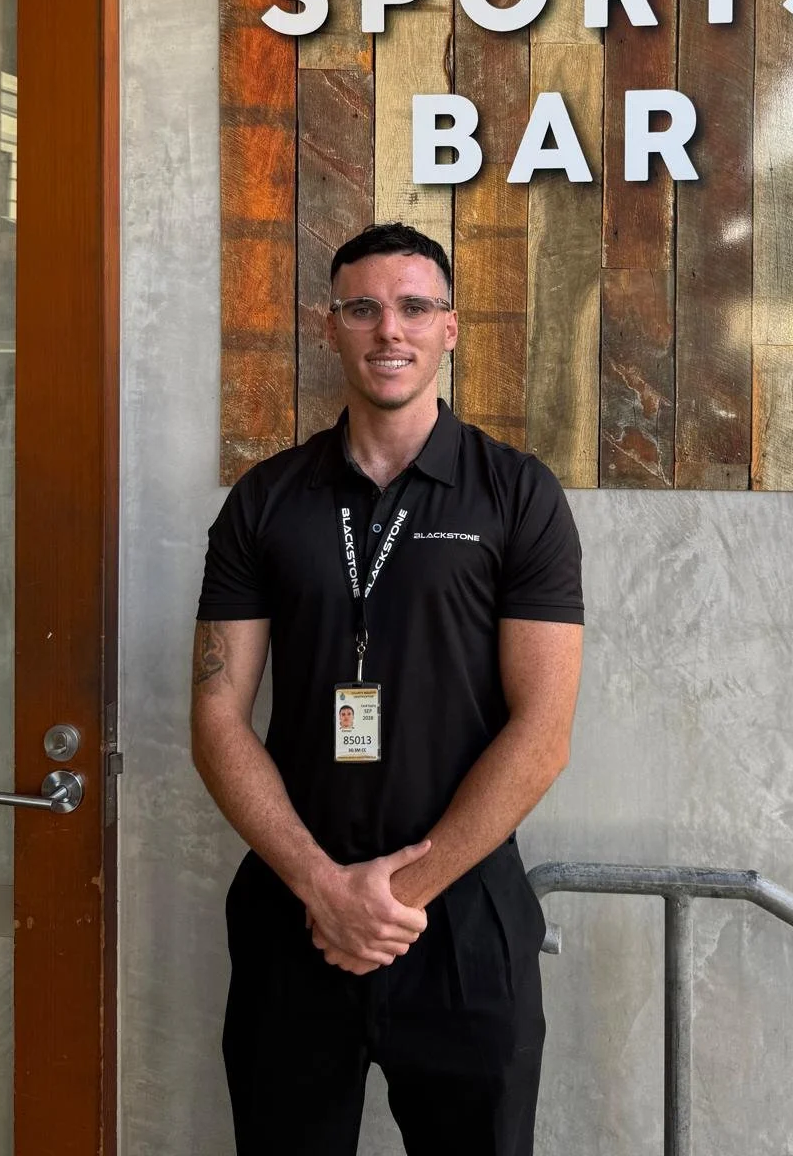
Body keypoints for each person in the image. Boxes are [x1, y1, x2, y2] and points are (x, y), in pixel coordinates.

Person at [191, 221, 585, 1156]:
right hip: (297, 913)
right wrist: (324, 889)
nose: (389, 330)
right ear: (330, 328)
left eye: (414, 307)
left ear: (451, 328)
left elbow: (544, 727)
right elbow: (215, 712)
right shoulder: (265, 499)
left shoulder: (518, 495)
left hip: (461, 922)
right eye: (363, 308)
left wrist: (390, 896)